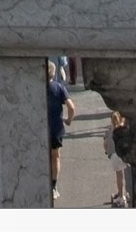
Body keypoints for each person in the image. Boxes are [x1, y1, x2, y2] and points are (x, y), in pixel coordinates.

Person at [48, 62, 75, 194]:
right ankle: (53, 186)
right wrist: (68, 120)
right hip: (56, 128)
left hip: (41, 128)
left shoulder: (38, 87)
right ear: (54, 73)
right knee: (55, 156)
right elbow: (71, 107)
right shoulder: (59, 88)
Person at [107, 107, 135, 207]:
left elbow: (105, 144)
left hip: (115, 156)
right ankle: (129, 194)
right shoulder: (124, 129)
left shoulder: (110, 130)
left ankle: (121, 196)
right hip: (124, 153)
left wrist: (107, 152)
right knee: (129, 172)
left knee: (119, 175)